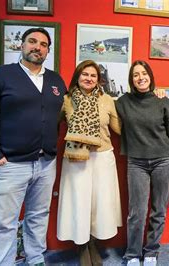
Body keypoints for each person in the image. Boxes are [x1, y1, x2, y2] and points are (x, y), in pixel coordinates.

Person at [0, 28, 66, 265]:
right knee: (5, 222)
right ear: (21, 45)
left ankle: (35, 259)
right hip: (10, 164)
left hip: (46, 163)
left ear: (48, 50)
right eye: (32, 42)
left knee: (38, 216)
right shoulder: (0, 76)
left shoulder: (56, 80)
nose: (38, 47)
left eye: (44, 44)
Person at [56, 60, 122, 265]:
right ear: (78, 76)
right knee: (79, 202)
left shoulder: (107, 100)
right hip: (76, 159)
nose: (89, 78)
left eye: (93, 75)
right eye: (85, 74)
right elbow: (51, 122)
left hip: (103, 157)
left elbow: (119, 129)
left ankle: (93, 242)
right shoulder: (67, 100)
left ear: (98, 79)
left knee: (99, 204)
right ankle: (82, 246)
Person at [115, 60, 169, 266]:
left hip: (163, 160)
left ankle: (151, 251)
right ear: (131, 79)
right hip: (137, 163)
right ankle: (132, 254)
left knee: (158, 209)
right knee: (137, 212)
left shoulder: (162, 100)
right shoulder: (123, 102)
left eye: (144, 73)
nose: (140, 77)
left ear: (150, 76)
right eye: (136, 74)